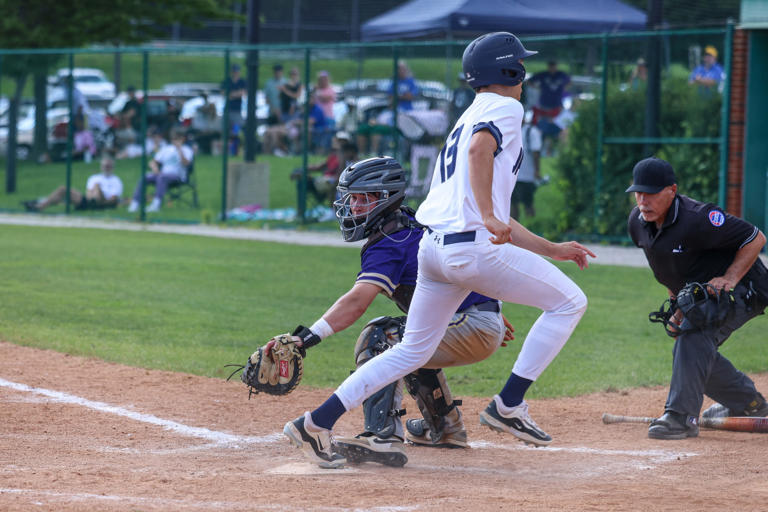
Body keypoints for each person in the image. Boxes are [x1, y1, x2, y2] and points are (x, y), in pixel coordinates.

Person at [282, 32, 595, 468]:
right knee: (569, 303)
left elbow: (493, 208)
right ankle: (508, 405)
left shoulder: (469, 113)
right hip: (471, 250)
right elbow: (481, 155)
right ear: (510, 71)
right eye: (520, 66)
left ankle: (315, 423)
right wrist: (487, 215)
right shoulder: (506, 107)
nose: (524, 74)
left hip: (434, 249)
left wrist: (552, 248)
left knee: (410, 351)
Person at [280, 156, 516, 468]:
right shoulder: (411, 223)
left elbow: (357, 302)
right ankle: (445, 427)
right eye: (351, 200)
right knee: (415, 333)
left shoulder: (390, 241)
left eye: (362, 200)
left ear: (384, 198)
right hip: (478, 320)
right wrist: (484, 306)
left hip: (474, 322)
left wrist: (309, 336)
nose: (352, 208)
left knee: (381, 335)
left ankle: (382, 435)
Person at [626, 157, 768, 440]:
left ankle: (680, 417)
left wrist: (730, 278)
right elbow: (667, 269)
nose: (643, 200)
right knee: (690, 349)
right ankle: (751, 405)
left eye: (651, 193)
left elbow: (755, 237)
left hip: (746, 288)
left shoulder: (698, 218)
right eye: (639, 193)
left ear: (672, 190)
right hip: (700, 295)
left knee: (694, 336)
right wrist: (679, 306)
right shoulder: (638, 225)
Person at [23, 154, 122, 212]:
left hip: (103, 202)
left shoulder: (116, 181)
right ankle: (41, 206)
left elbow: (113, 198)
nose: (106, 168)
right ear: (101, 166)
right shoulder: (94, 178)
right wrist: (90, 199)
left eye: (108, 166)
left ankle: (39, 203)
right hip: (89, 200)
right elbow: (88, 192)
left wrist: (101, 204)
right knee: (63, 189)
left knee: (97, 186)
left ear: (112, 167)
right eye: (105, 166)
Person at [127, 130, 193, 213]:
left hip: (178, 177)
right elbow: (152, 162)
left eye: (177, 138)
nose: (175, 141)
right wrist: (155, 169)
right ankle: (135, 203)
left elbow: (186, 163)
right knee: (145, 177)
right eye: (173, 138)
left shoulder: (187, 150)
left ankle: (156, 205)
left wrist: (179, 150)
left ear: (183, 139)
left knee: (162, 177)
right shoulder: (166, 149)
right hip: (161, 175)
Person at [529, 60, 570, 153]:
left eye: (554, 66)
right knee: (542, 128)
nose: (552, 68)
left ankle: (560, 150)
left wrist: (563, 90)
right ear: (549, 66)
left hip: (557, 106)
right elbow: (529, 82)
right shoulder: (543, 75)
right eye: (551, 66)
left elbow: (569, 82)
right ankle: (540, 149)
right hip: (544, 107)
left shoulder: (561, 75)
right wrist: (537, 88)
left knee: (561, 128)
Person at [510, 112, 543, 219]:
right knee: (513, 204)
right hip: (513, 175)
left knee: (528, 203)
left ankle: (531, 227)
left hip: (527, 175)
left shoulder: (531, 132)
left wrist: (537, 171)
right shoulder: (511, 131)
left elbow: (536, 152)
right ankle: (513, 233)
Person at [221, 64, 246, 154]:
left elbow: (243, 93)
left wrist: (231, 94)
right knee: (226, 130)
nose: (236, 73)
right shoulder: (227, 81)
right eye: (234, 71)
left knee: (238, 130)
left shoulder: (242, 82)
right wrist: (236, 94)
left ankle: (238, 149)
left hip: (237, 111)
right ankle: (227, 150)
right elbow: (224, 93)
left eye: (237, 71)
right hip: (227, 110)